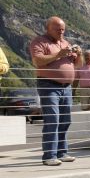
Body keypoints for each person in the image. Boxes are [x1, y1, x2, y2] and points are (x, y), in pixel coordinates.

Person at [29, 16, 83, 166]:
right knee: (52, 119)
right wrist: (59, 54)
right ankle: (49, 155)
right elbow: (37, 61)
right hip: (49, 85)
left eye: (63, 29)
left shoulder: (65, 43)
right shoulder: (39, 42)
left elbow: (78, 65)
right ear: (48, 28)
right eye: (58, 29)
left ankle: (62, 152)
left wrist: (78, 55)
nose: (61, 32)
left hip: (66, 87)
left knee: (65, 120)